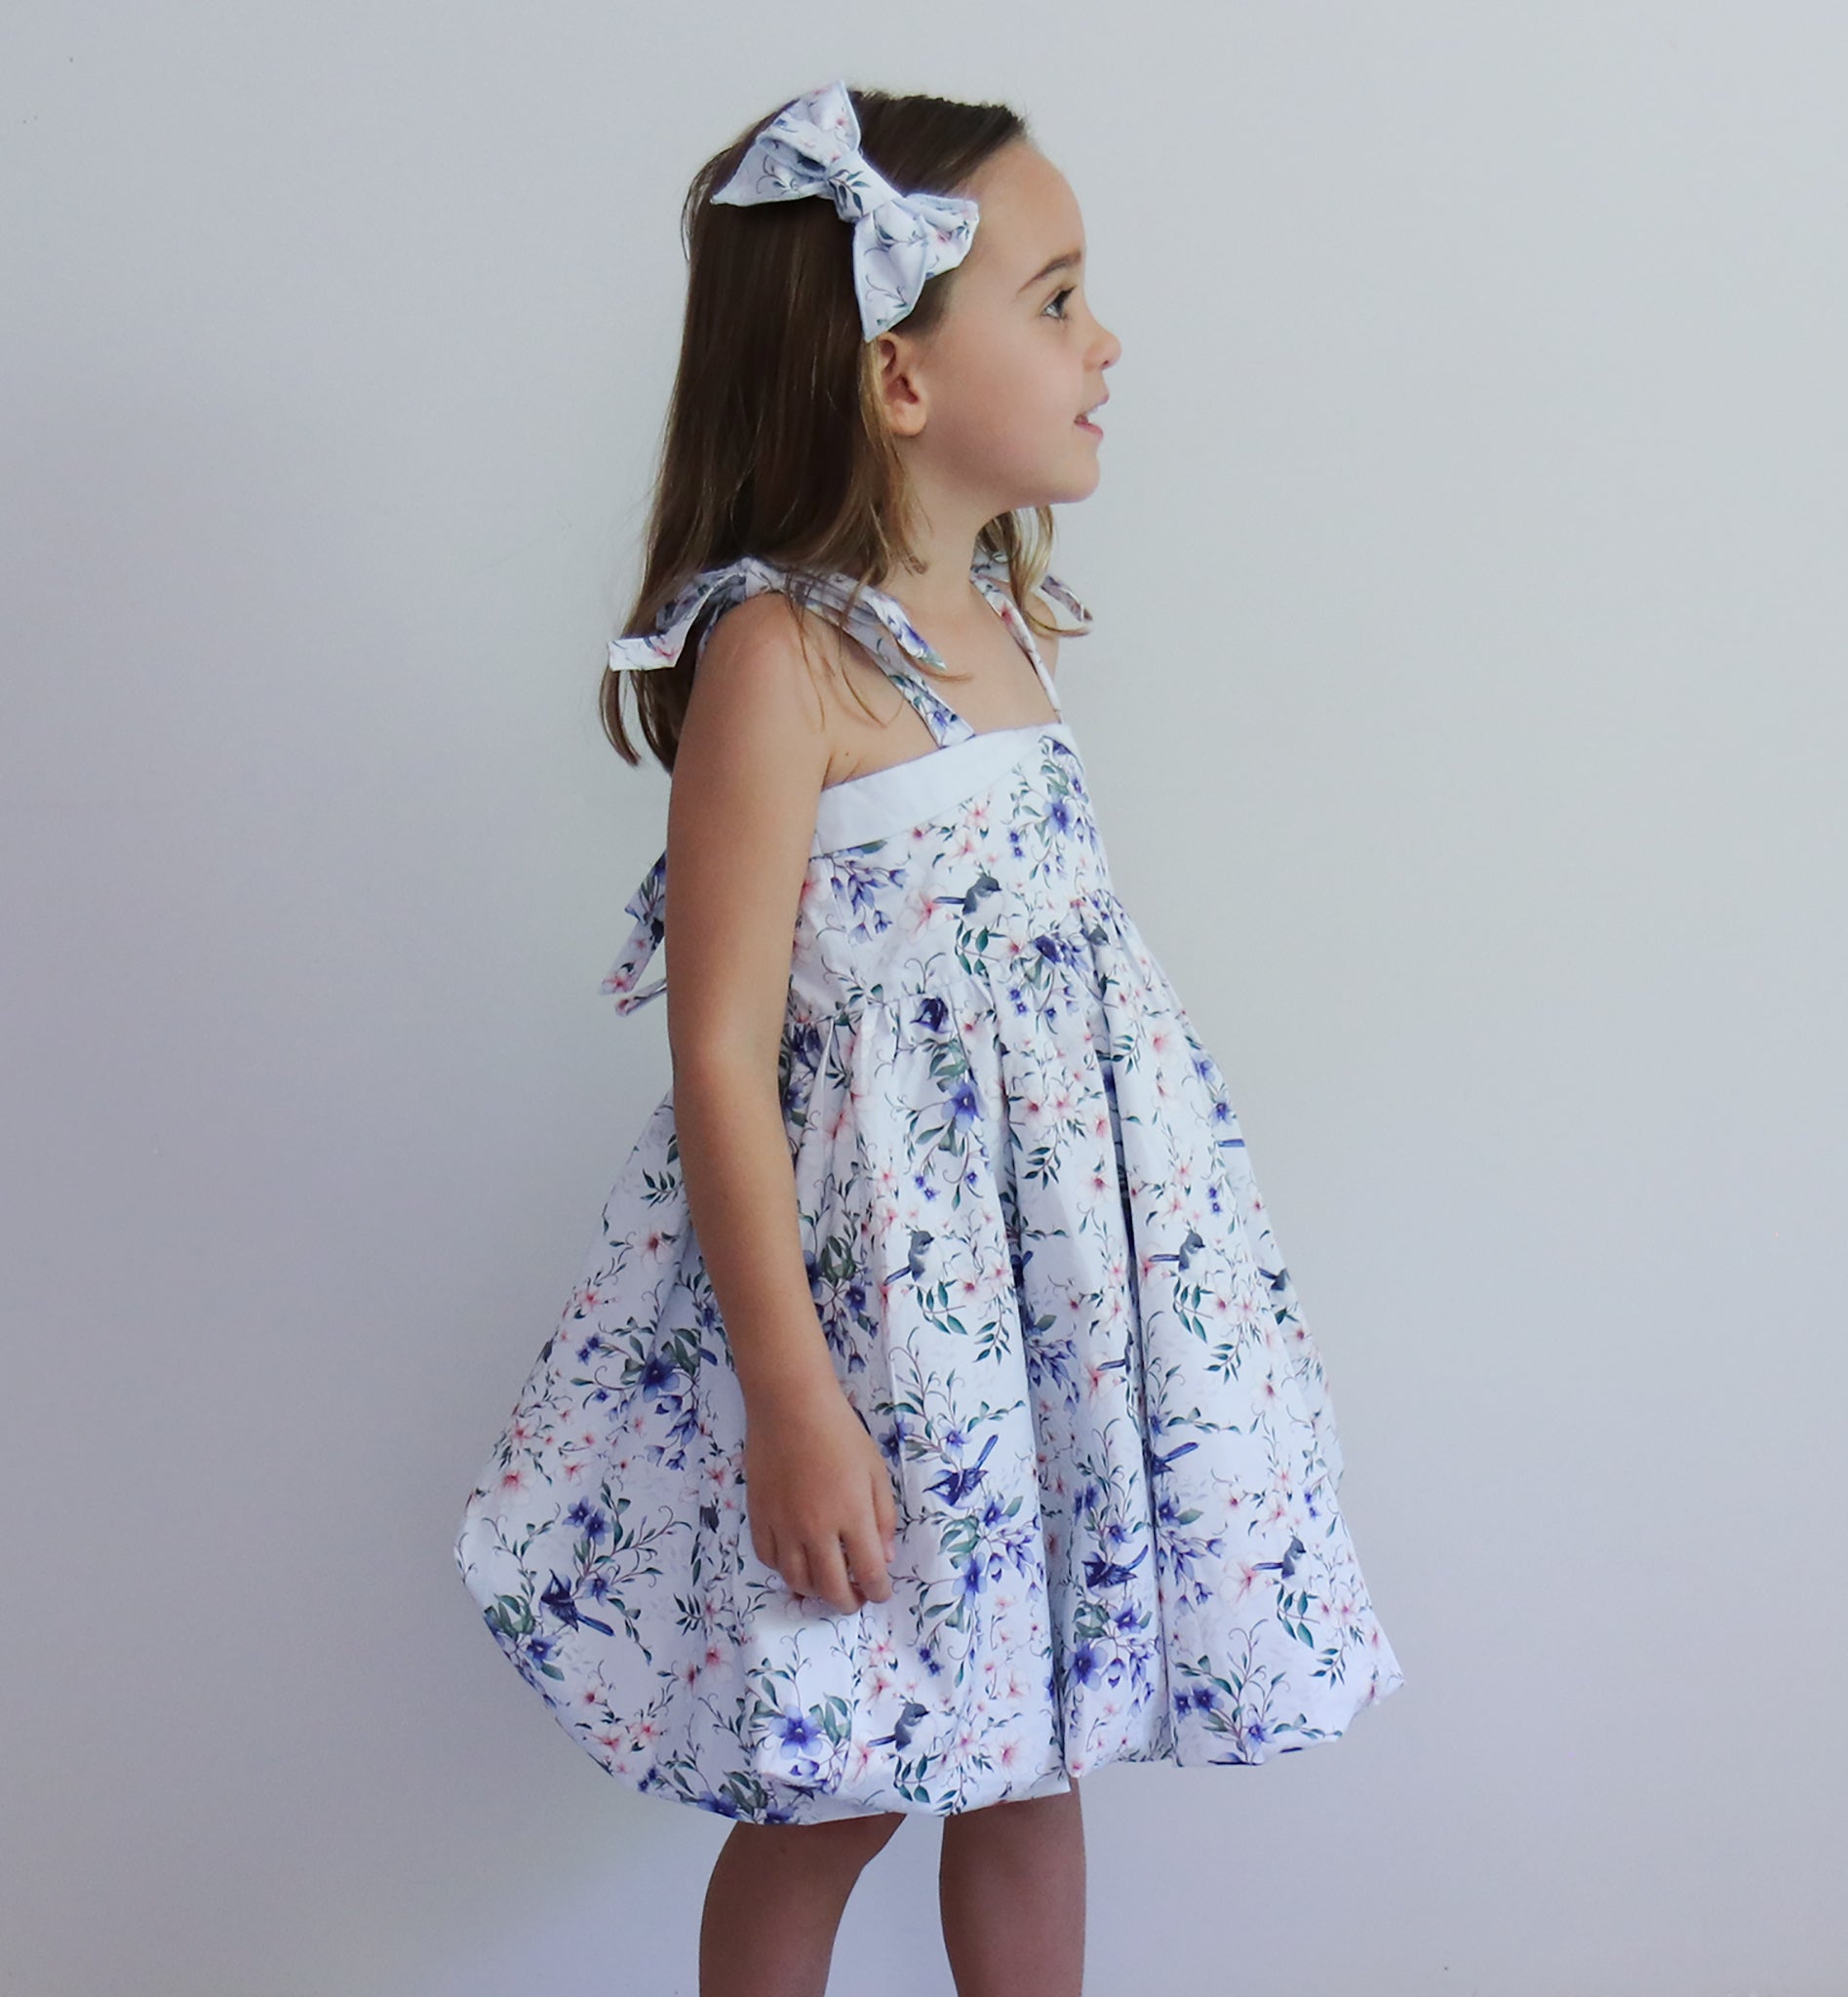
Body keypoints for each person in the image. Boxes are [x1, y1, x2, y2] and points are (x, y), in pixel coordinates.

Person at [455, 77, 1405, 1997]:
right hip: (891, 1331)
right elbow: (721, 1052)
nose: (1104, 339)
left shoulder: (1001, 622)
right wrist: (796, 1401)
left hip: (1052, 1303)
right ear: (898, 375)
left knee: (1035, 1747)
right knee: (833, 1783)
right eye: (1055, 299)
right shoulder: (774, 658)